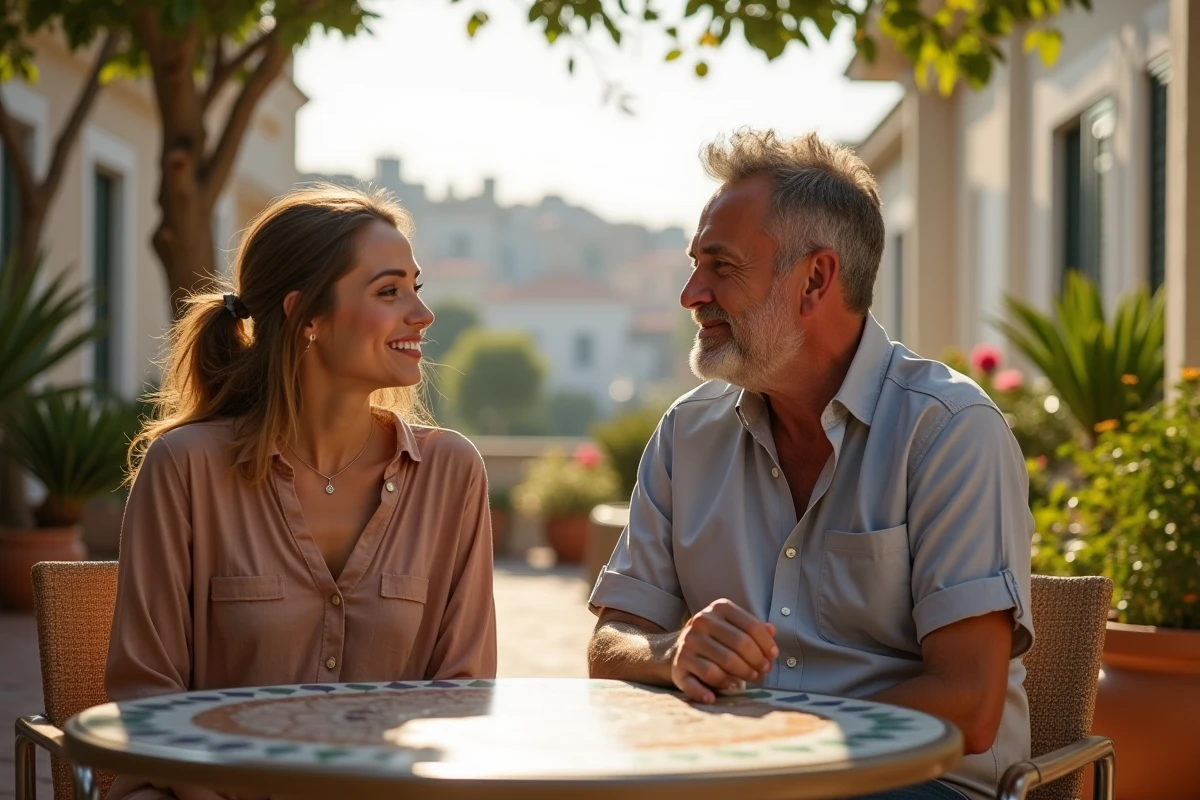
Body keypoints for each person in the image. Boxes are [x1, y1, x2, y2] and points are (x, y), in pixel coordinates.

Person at [586, 130, 1033, 800]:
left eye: (721, 266)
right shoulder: (687, 432)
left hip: (919, 783)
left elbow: (967, 702)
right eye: (694, 264)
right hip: (738, 778)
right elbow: (610, 645)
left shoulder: (949, 431)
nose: (691, 293)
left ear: (815, 279)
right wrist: (668, 651)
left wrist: (774, 745)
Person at [106, 185, 497, 800]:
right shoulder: (184, 468)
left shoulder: (450, 473)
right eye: (389, 291)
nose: (422, 314)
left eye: (416, 288)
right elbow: (148, 697)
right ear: (306, 316)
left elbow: (463, 692)